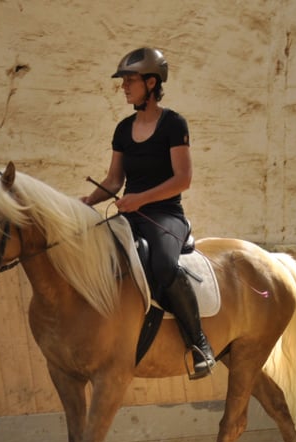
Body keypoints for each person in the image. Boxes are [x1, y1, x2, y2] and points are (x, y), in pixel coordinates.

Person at [81, 47, 215, 379]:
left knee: (163, 265)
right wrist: (87, 201)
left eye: (130, 80)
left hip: (165, 215)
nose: (124, 87)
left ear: (151, 83)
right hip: (131, 213)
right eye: (123, 81)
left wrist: (141, 199)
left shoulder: (173, 124)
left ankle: (198, 343)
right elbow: (115, 180)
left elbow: (183, 178)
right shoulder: (123, 129)